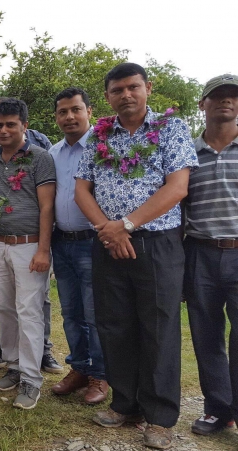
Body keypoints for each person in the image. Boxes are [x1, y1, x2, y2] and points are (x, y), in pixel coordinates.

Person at [75, 62, 198, 449]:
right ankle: (125, 404)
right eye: (117, 90)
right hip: (108, 243)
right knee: (115, 325)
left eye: (133, 87)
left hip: (157, 244)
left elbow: (177, 187)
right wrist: (108, 231)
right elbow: (82, 190)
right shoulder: (99, 134)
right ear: (107, 96)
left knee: (159, 328)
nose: (125, 95)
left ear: (148, 88)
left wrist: (125, 225)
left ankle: (160, 418)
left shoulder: (171, 128)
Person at [0, 99, 56, 410]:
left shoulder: (40, 158)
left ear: (25, 126)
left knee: (29, 312)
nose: (3, 130)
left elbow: (47, 207)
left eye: (10, 124)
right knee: (4, 308)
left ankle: (31, 379)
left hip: (29, 245)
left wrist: (43, 249)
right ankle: (13, 366)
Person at [183, 74, 238, 436]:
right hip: (200, 252)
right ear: (202, 104)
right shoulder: (187, 154)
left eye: (233, 95)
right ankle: (218, 410)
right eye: (217, 96)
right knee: (206, 336)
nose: (226, 101)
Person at [47, 88, 108, 404]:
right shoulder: (53, 152)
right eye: (63, 112)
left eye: (75, 110)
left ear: (89, 111)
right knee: (71, 312)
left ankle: (100, 374)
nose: (69, 117)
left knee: (95, 313)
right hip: (62, 242)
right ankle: (80, 368)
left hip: (93, 242)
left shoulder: (103, 147)